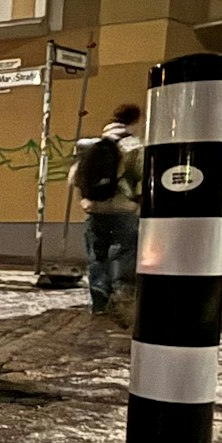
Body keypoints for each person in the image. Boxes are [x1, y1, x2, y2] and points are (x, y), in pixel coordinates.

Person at [69, 102, 144, 315]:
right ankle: (120, 296)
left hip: (94, 210)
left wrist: (87, 198)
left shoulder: (91, 146)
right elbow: (142, 178)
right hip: (124, 210)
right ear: (135, 120)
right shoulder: (135, 147)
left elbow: (74, 178)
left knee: (97, 255)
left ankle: (99, 301)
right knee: (125, 253)